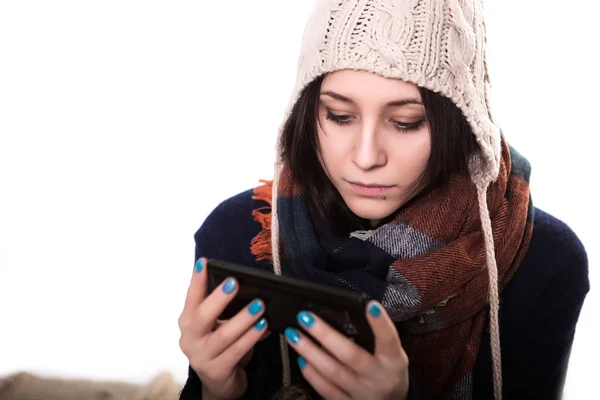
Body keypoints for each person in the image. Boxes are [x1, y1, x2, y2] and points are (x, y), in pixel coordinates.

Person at [178, 1, 590, 399]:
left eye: (405, 123)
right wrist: (218, 391)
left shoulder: (544, 259)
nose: (365, 157)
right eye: (339, 116)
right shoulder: (238, 233)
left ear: (462, 125)